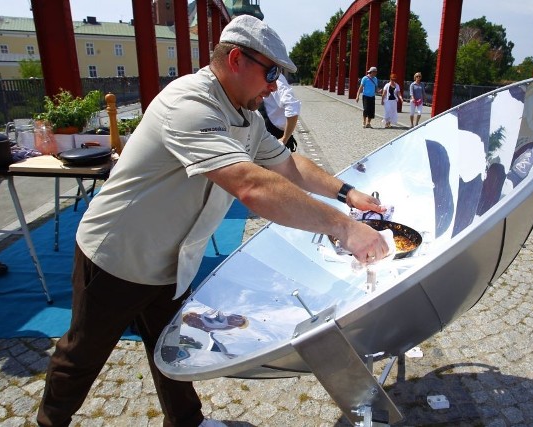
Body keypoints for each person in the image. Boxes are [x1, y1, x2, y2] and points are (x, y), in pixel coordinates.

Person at [36, 14, 390, 427]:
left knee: (170, 346)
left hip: (172, 258)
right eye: (271, 71)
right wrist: (344, 227)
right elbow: (251, 186)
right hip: (120, 254)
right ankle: (50, 422)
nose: (274, 85)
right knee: (82, 353)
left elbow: (287, 165)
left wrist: (347, 194)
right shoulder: (187, 103)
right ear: (236, 59)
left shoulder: (247, 116)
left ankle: (187, 422)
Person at [260, 74, 301, 152]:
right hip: (262, 136)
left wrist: (284, 139)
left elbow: (292, 106)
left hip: (274, 137)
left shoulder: (275, 77)